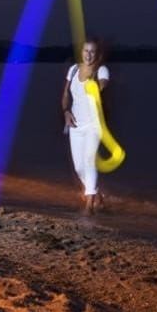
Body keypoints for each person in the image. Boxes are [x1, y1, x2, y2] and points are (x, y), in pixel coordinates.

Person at [61, 38, 109, 215]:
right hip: (75, 125)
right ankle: (96, 193)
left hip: (93, 124)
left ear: (98, 55)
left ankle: (89, 205)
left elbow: (103, 85)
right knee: (78, 167)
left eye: (92, 52)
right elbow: (66, 94)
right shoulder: (73, 69)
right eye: (86, 51)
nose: (88, 55)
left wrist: (97, 87)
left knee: (89, 162)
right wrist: (66, 111)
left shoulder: (101, 70)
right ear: (81, 52)